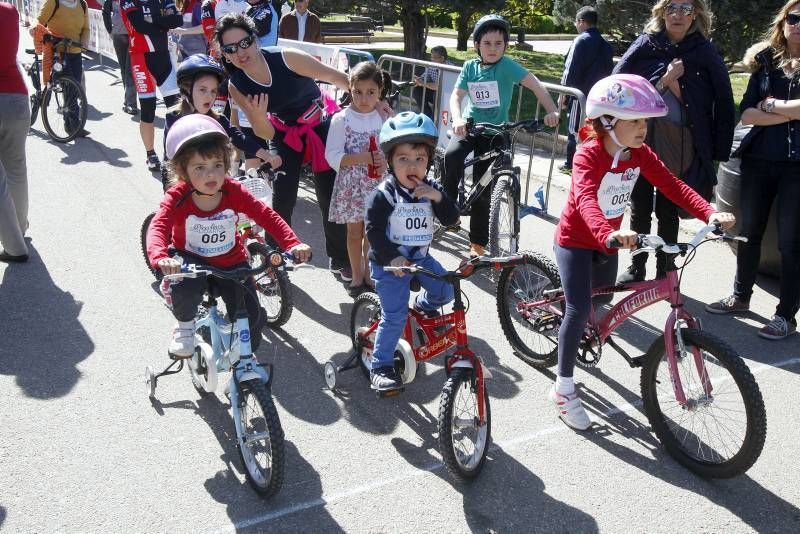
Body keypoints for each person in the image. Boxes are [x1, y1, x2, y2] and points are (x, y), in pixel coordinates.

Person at [550, 73, 734, 430]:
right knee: (576, 309)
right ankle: (563, 386)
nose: (642, 129)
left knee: (598, 303)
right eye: (634, 121)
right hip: (578, 240)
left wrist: (709, 212)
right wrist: (609, 234)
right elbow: (585, 200)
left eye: (645, 122)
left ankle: (578, 331)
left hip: (609, 241)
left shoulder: (638, 154)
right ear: (606, 121)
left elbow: (672, 185)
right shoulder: (588, 155)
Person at [146, 114, 311, 357]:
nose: (211, 175)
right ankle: (184, 328)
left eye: (217, 166)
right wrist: (160, 257)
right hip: (191, 260)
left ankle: (240, 358)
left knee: (251, 318)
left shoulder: (233, 190)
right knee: (185, 290)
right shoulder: (178, 195)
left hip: (231, 261)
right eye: (199, 168)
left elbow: (266, 215)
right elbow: (158, 226)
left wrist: (293, 243)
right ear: (183, 170)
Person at [217, 13, 356, 281]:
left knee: (329, 194)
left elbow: (339, 78)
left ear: (255, 40)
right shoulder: (237, 85)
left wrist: (372, 103)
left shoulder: (286, 57)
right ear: (225, 55)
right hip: (284, 131)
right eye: (230, 49)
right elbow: (265, 132)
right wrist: (257, 117)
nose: (240, 52)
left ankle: (339, 259)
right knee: (283, 197)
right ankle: (276, 258)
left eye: (244, 43)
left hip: (319, 124)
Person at [613, 0, 736, 282]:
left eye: (685, 9)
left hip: (679, 140)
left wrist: (717, 150)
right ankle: (637, 265)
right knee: (640, 205)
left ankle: (665, 269)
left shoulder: (704, 50)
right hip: (642, 135)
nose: (678, 15)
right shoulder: (647, 44)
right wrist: (664, 80)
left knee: (669, 207)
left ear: (695, 15)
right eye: (671, 8)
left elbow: (723, 100)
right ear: (662, 13)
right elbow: (619, 81)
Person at [705, 0, 800, 340]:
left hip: (796, 168)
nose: (797, 24)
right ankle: (740, 296)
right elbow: (747, 114)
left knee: (791, 244)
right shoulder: (766, 63)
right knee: (749, 234)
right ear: (783, 21)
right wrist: (789, 111)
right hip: (758, 159)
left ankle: (785, 316)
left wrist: (772, 105)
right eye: (793, 17)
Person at [444, 14, 559, 258]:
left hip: (496, 132)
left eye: (499, 44)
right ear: (477, 45)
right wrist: (458, 119)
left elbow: (535, 84)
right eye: (487, 43)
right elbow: (456, 96)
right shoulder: (470, 67)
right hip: (471, 127)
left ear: (505, 46)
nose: (493, 48)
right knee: (452, 155)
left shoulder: (507, 66)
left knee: (484, 187)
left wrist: (552, 110)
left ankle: (477, 242)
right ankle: (447, 207)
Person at [364, 111, 459, 391]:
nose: (412, 165)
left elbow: (452, 218)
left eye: (419, 159)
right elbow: (374, 233)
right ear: (391, 162)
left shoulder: (432, 189)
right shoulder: (384, 195)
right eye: (403, 158)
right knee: (395, 316)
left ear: (429, 161)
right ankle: (381, 365)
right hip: (390, 264)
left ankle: (423, 307)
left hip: (421, 258)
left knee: (447, 290)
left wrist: (438, 197)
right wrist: (392, 257)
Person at [162, 53, 281, 189]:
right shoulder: (174, 118)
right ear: (186, 90)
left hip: (214, 184)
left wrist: (266, 156)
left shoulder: (217, 119)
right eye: (203, 90)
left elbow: (239, 137)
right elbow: (168, 161)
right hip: (187, 187)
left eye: (213, 91)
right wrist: (170, 193)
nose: (209, 96)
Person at [326, 62, 391, 295]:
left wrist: (386, 161)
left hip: (377, 184)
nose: (364, 98)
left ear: (380, 92)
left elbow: (392, 150)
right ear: (350, 89)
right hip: (352, 185)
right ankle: (355, 275)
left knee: (372, 232)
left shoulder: (383, 118)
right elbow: (332, 155)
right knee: (354, 233)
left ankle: (369, 274)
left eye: (371, 92)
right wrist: (364, 157)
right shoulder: (341, 119)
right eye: (358, 92)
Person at [120, 0, 184, 172]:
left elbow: (177, 20)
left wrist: (153, 21)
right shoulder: (128, 1)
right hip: (141, 59)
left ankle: (173, 152)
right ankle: (151, 154)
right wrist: (163, 23)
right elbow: (140, 26)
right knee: (148, 111)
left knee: (176, 109)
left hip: (164, 59)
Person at [558, 5, 613, 174]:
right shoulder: (606, 45)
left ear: (581, 22)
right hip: (599, 98)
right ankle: (592, 165)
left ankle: (572, 164)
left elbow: (570, 70)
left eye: (576, 22)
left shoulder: (580, 40)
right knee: (594, 131)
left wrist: (563, 95)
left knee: (575, 130)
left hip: (579, 96)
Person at [0, 3, 30, 263]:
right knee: (16, 169)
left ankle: (14, 246)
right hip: (16, 97)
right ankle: (20, 228)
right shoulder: (10, 11)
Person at [34, 0, 90, 137]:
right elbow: (38, 21)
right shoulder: (54, 2)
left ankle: (72, 124)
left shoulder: (82, 4)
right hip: (57, 51)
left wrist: (84, 41)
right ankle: (73, 124)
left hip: (75, 51)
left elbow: (86, 28)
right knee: (68, 87)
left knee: (75, 89)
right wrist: (42, 32)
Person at [102, 0, 139, 115]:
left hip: (133, 36)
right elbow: (105, 12)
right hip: (118, 36)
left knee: (130, 70)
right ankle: (128, 101)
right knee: (124, 69)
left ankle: (131, 103)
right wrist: (110, 30)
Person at [413, 45, 453, 120]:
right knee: (417, 90)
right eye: (431, 57)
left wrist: (423, 83)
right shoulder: (432, 65)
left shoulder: (449, 68)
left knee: (436, 94)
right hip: (436, 92)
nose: (432, 59)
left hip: (447, 95)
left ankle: (435, 119)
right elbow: (424, 77)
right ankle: (426, 116)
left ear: (442, 58)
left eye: (434, 57)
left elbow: (440, 86)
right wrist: (418, 80)